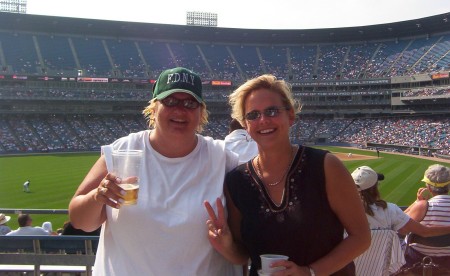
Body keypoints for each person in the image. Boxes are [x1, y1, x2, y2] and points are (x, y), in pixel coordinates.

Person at [68, 67, 242, 275]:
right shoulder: (122, 150)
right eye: (170, 101)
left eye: (189, 103)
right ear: (153, 107)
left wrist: (228, 244)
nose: (179, 110)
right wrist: (98, 197)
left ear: (201, 111)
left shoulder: (223, 158)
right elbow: (79, 221)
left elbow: (243, 248)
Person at [205, 74, 371, 276]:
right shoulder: (237, 182)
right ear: (245, 125)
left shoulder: (325, 166)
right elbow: (243, 254)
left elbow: (361, 237)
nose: (263, 120)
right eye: (253, 115)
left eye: (272, 111)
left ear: (290, 115)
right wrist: (225, 245)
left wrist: (310, 272)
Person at [352, 165, 450, 235]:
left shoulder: (342, 211)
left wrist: (417, 204)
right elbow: (417, 230)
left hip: (353, 260)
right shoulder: (390, 209)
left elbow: (404, 223)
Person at [403, 164, 450, 270]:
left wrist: (416, 203)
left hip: (416, 262)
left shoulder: (423, 206)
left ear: (428, 186)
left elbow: (400, 226)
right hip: (447, 266)